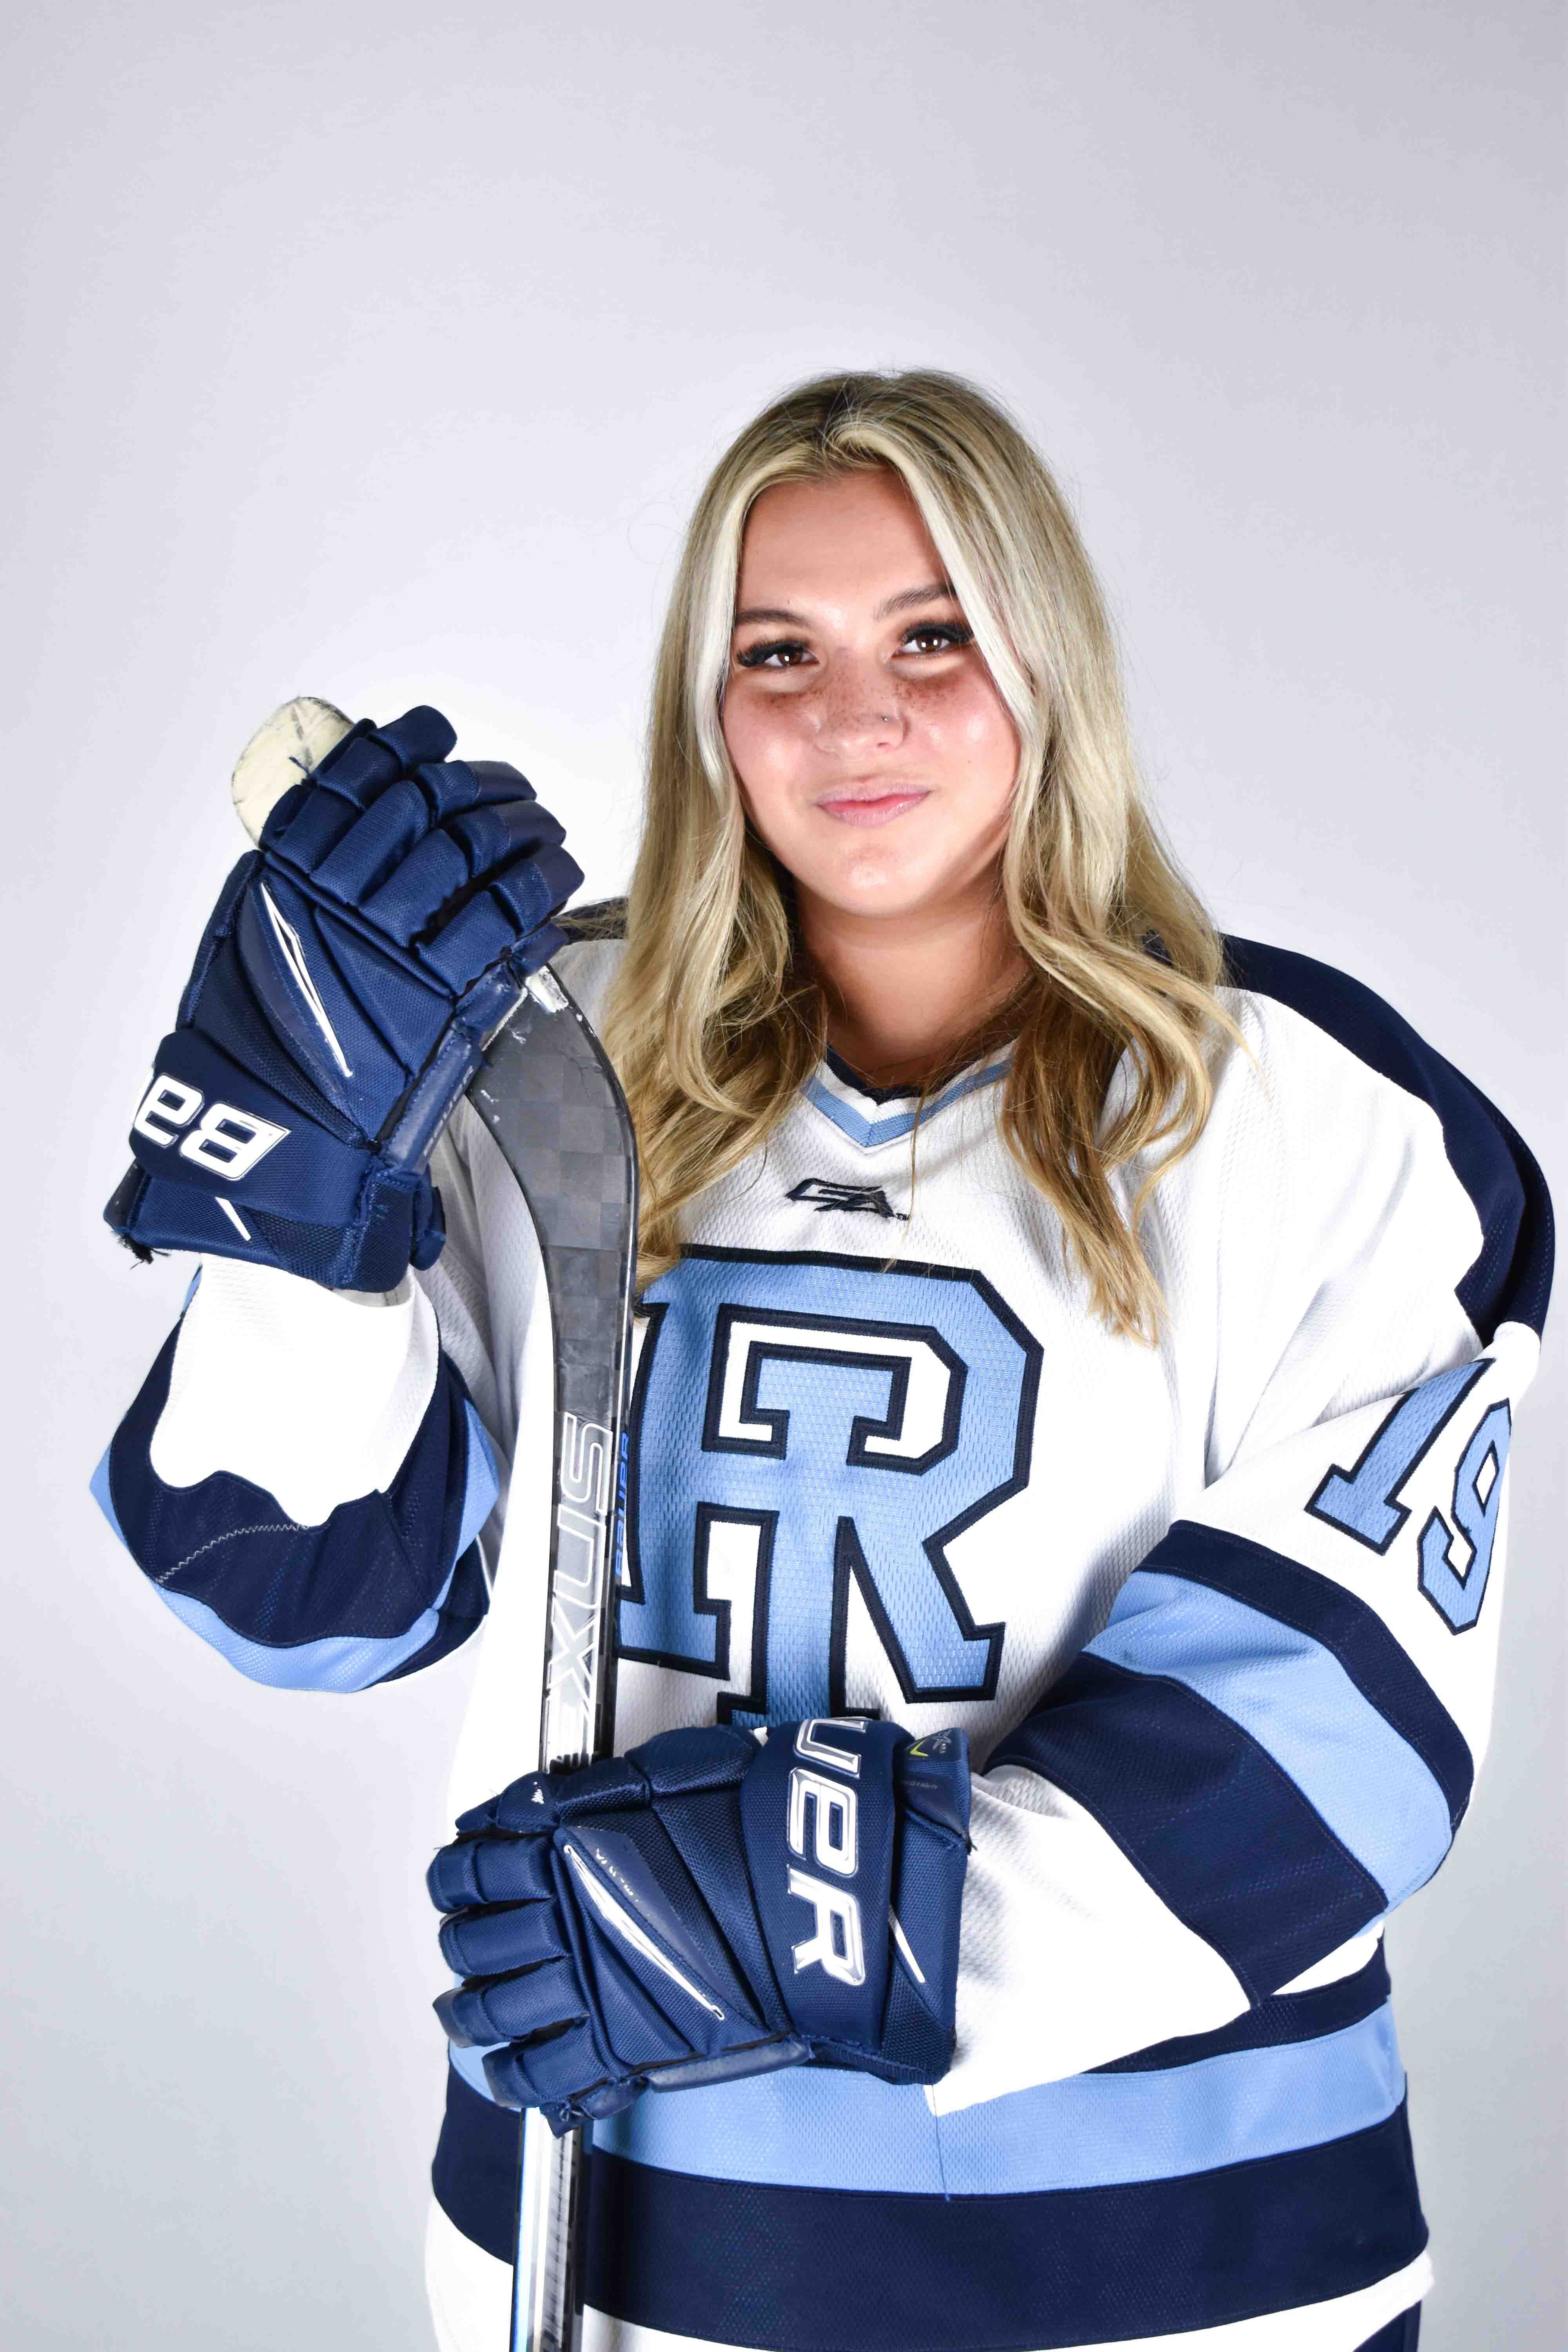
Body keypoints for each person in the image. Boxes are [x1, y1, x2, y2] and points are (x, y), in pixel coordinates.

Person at [94, 371, 1553, 2352]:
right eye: (777, 651)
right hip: (624, 2254)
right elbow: (300, 1594)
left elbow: (1329, 1749)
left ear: (1048, 663)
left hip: (1192, 2284)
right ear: (706, 707)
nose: (852, 719)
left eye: (930, 637)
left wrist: (799, 1907)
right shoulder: (537, 1060)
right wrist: (294, 1208)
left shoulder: (1323, 1119)